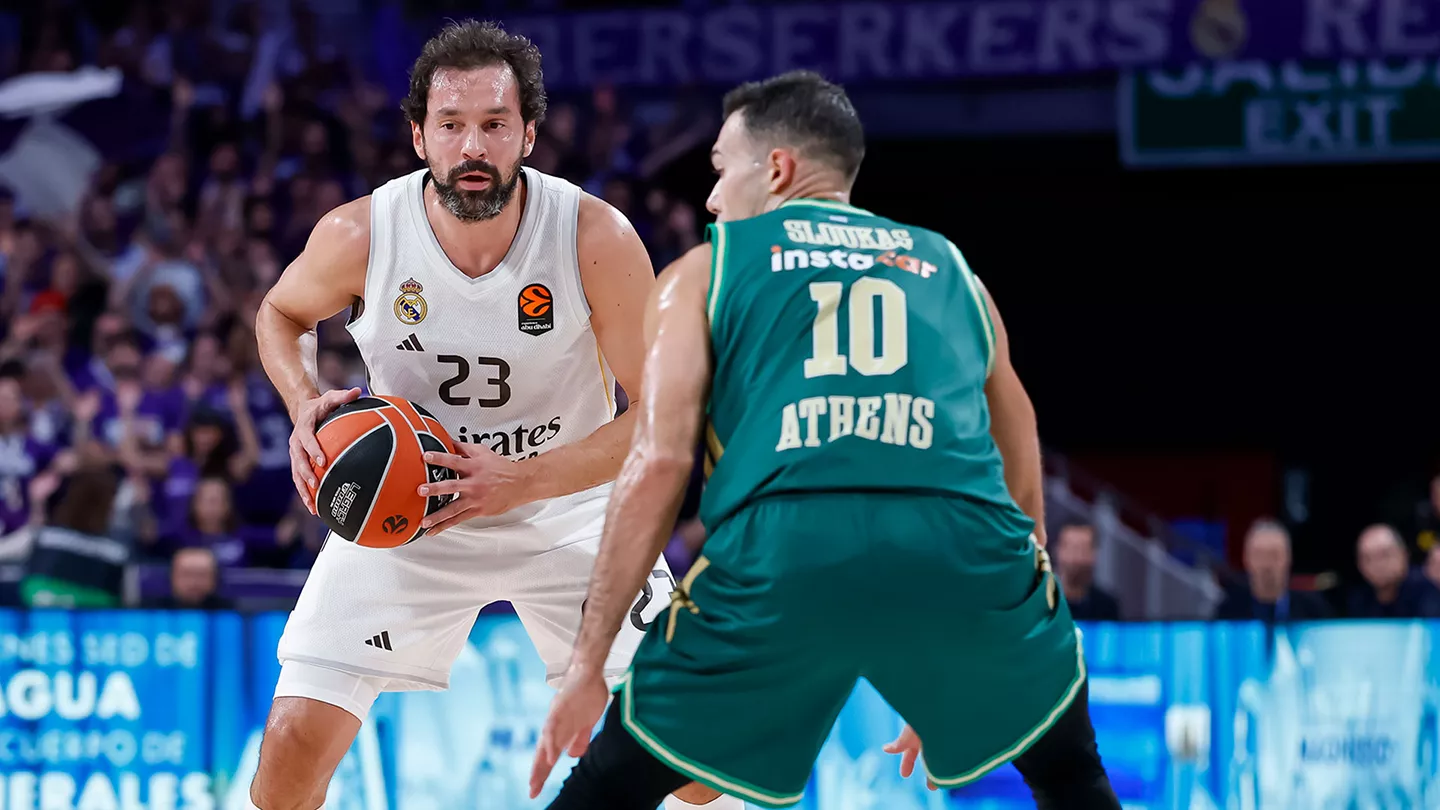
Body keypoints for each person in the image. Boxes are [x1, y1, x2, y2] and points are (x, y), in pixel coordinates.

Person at [531, 71, 1120, 809]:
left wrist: (588, 664)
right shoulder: (949, 265)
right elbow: (1018, 436)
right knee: (1070, 772)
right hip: (965, 549)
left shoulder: (706, 271)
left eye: (719, 169)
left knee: (612, 782)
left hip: (787, 547)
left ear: (776, 169)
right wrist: (983, 630)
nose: (712, 198)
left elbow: (660, 461)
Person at [249, 19, 735, 810]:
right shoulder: (360, 233)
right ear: (419, 137)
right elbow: (280, 313)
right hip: (411, 514)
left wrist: (524, 479)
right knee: (292, 746)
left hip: (570, 507)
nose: (472, 146)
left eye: (493, 124)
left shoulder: (593, 237)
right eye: (451, 125)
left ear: (528, 136)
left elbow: (661, 415)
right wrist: (304, 403)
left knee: (698, 758)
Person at [1212, 519, 1331, 622]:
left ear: (1288, 558)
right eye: (1259, 555)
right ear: (1246, 559)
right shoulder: (1228, 612)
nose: (1266, 565)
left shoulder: (1313, 610)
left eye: (1274, 555)